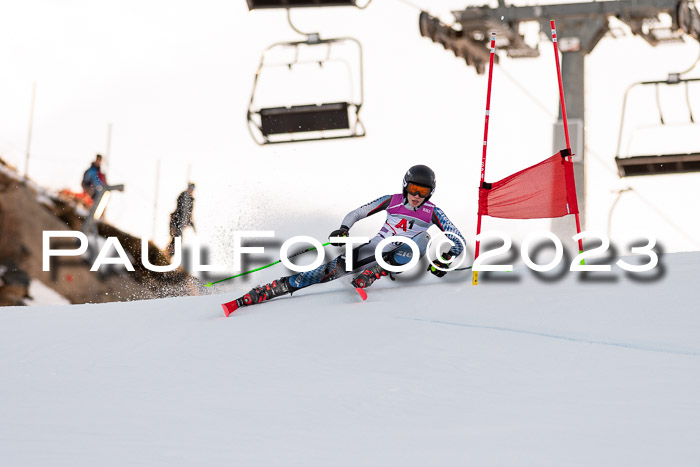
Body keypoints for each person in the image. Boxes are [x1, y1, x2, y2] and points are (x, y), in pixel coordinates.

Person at [225, 165, 465, 313]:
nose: (416, 196)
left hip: (402, 257)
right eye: (413, 189)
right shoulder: (391, 200)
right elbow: (358, 212)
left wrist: (444, 259)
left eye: (423, 192)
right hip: (372, 250)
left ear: (430, 193)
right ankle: (263, 292)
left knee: (423, 238)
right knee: (322, 273)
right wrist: (343, 228)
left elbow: (457, 240)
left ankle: (372, 275)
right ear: (405, 186)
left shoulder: (433, 211)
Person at [167, 183, 196, 255]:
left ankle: (169, 254)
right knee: (176, 239)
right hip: (176, 221)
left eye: (192, 189)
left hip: (180, 223)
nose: (191, 190)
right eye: (190, 188)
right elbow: (179, 207)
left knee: (178, 240)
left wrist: (192, 225)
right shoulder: (183, 196)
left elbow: (189, 214)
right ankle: (168, 253)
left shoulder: (191, 200)